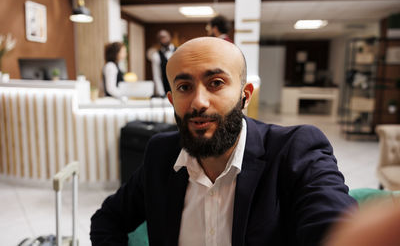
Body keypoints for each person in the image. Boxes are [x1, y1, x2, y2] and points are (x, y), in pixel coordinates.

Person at [91, 37, 356, 245]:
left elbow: (338, 231)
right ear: (172, 101)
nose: (198, 102)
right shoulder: (161, 153)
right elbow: (107, 220)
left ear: (245, 95)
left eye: (216, 83)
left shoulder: (296, 150)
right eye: (184, 87)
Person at [150, 29, 176, 96]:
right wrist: (161, 93)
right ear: (158, 41)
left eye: (165, 36)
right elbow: (157, 76)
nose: (163, 39)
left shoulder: (179, 51)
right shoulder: (156, 56)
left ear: (170, 37)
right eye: (161, 38)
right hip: (165, 90)